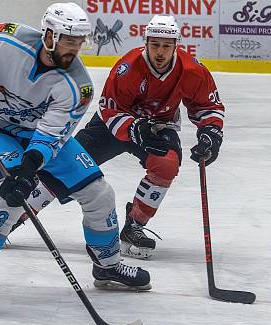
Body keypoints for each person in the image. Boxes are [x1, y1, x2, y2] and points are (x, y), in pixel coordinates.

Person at [0, 2, 150, 317]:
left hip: (38, 137)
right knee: (9, 199)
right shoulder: (7, 38)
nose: (75, 49)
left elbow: (50, 136)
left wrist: (28, 170)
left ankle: (107, 266)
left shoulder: (77, 86)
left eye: (80, 42)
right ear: (49, 35)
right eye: (69, 40)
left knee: (99, 193)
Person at [74, 15, 225, 259]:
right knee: (69, 164)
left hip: (158, 126)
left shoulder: (192, 70)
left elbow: (208, 107)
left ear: (176, 45)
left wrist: (210, 133)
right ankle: (18, 214)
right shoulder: (128, 67)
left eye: (166, 46)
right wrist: (133, 128)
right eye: (155, 45)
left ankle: (134, 226)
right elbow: (110, 108)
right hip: (113, 125)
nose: (160, 52)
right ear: (146, 43)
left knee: (166, 164)